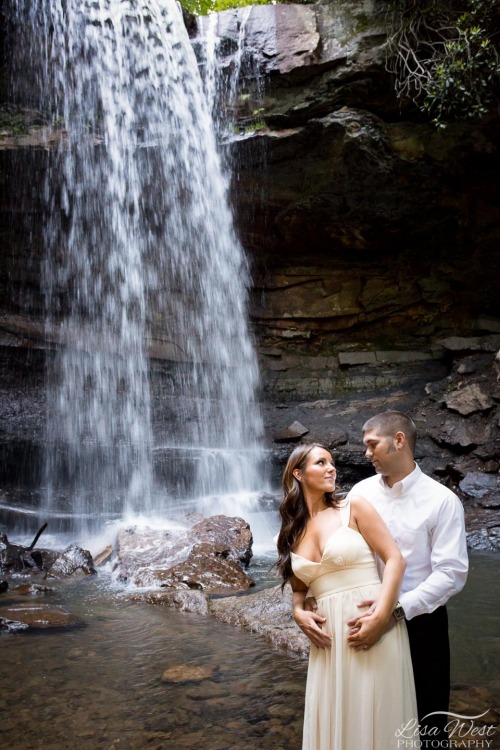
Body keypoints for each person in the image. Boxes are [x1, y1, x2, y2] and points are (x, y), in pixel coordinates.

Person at [276, 443, 417, 750]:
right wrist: (298, 612)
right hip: (328, 642)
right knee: (337, 722)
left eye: (332, 462)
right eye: (321, 462)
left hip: (369, 625)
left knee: (377, 716)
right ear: (298, 474)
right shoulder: (291, 532)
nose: (331, 468)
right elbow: (300, 589)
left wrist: (382, 615)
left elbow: (395, 560)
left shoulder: (353, 507)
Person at [343, 411, 469, 743]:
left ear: (399, 440)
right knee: (372, 715)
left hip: (421, 622)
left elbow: (451, 574)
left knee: (428, 721)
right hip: (363, 614)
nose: (366, 454)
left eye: (372, 445)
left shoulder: (442, 501)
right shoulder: (360, 494)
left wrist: (394, 611)